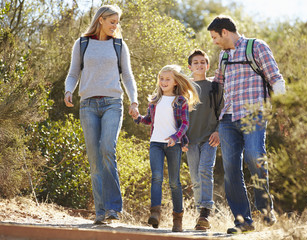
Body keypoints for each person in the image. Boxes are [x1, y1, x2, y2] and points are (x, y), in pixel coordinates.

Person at [207, 15, 286, 234]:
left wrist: (283, 111)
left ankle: (265, 209)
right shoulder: (223, 56)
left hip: (254, 115)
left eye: (215, 37)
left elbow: (276, 79)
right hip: (228, 119)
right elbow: (217, 84)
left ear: (225, 32)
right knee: (231, 170)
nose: (214, 41)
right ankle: (243, 221)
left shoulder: (256, 46)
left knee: (254, 156)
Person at [64, 5, 139, 225]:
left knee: (108, 148)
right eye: (112, 22)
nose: (116, 26)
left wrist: (134, 99)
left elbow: (127, 75)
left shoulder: (119, 45)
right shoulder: (82, 43)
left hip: (112, 104)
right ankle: (100, 211)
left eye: (117, 22)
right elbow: (73, 73)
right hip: (87, 105)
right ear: (100, 20)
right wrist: (69, 90)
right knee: (95, 159)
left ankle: (113, 208)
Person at [133, 65, 199, 232]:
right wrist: (138, 118)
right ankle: (155, 213)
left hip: (173, 145)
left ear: (176, 82)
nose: (163, 82)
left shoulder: (180, 101)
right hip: (155, 143)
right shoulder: (155, 100)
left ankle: (178, 219)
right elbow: (149, 120)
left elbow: (185, 124)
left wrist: (175, 138)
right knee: (156, 177)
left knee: (174, 183)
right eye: (161, 79)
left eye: (167, 79)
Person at [183, 49, 223, 231]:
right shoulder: (184, 88)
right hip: (189, 139)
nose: (199, 65)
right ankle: (201, 215)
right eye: (195, 62)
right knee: (195, 177)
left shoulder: (215, 86)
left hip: (209, 138)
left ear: (207, 65)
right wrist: (180, 136)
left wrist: (218, 131)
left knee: (205, 171)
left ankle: (205, 212)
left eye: (202, 62)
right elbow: (178, 115)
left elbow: (223, 111)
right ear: (189, 66)